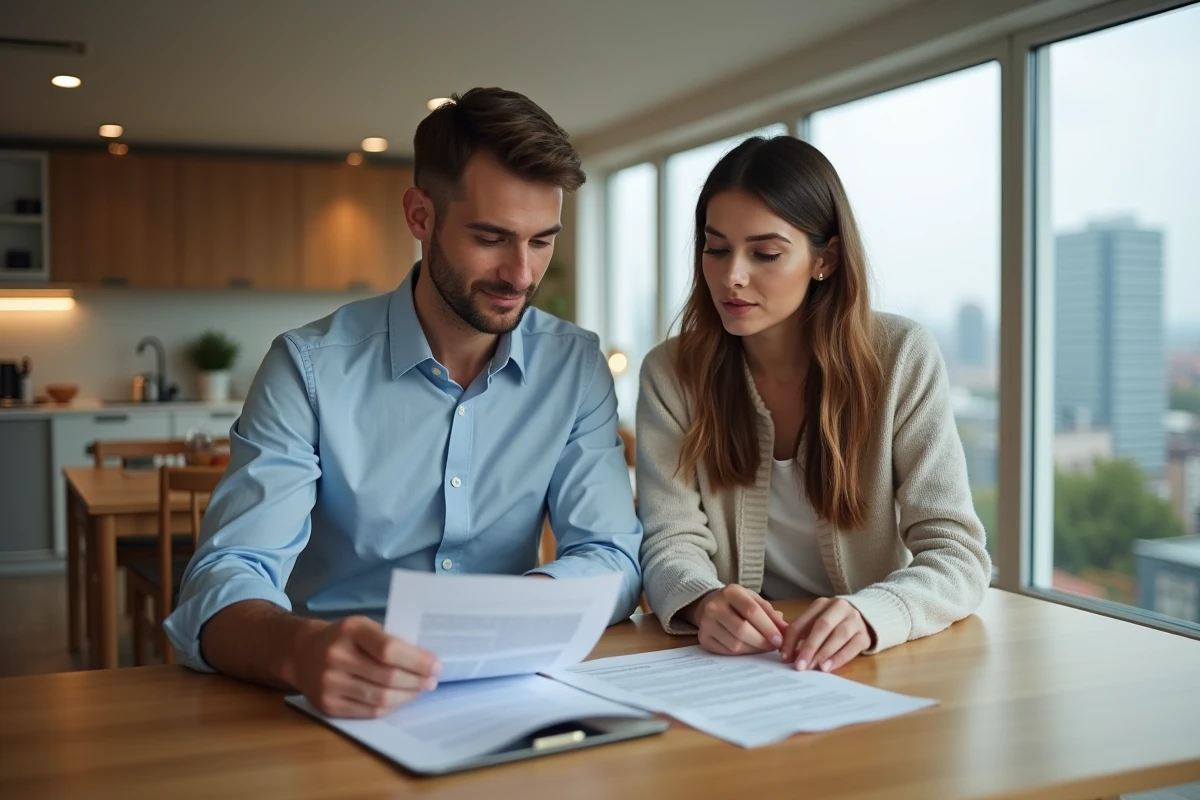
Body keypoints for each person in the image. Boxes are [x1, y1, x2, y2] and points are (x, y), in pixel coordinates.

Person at [165, 87, 643, 718]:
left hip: (510, 692)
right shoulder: (306, 367)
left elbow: (611, 552)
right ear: (420, 216)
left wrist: (518, 611)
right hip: (335, 704)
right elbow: (227, 573)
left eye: (541, 241)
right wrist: (298, 650)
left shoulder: (575, 365)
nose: (521, 275)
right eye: (491, 237)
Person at [636, 135, 990, 674]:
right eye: (716, 247)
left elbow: (957, 555)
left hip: (870, 662)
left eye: (766, 253)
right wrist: (700, 599)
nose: (732, 275)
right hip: (737, 667)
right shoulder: (672, 373)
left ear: (824, 259)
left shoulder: (900, 357)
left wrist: (872, 614)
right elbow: (668, 539)